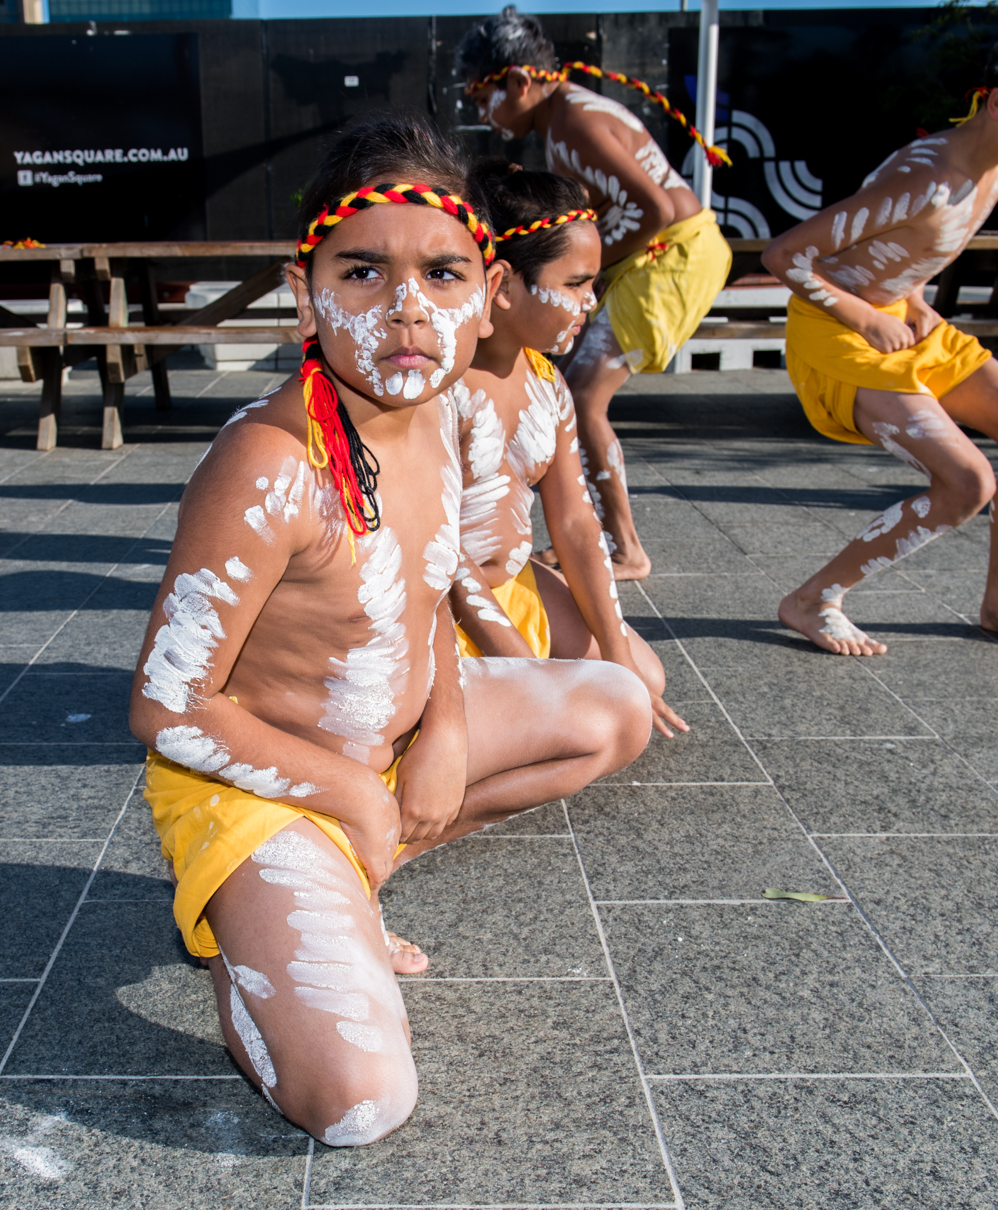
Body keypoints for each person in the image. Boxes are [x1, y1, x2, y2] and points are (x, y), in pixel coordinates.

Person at [128, 113, 652, 1148]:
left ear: (487, 291)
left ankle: (355, 883)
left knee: (615, 706)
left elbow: (425, 592)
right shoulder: (271, 464)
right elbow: (165, 705)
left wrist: (446, 727)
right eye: (362, 272)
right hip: (262, 784)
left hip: (382, 748)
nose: (406, 310)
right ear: (304, 288)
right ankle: (261, 944)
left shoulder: (445, 411)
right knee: (359, 1103)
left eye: (443, 274)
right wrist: (345, 800)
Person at [760, 7, 998, 657]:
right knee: (967, 482)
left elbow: (901, 254)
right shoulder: (926, 179)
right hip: (836, 329)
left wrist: (910, 300)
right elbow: (785, 256)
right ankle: (812, 599)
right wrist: (866, 314)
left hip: (901, 319)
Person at [454, 6, 733, 582]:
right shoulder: (566, 115)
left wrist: (586, 274)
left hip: (672, 255)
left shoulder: (573, 120)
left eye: (484, 98)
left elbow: (654, 209)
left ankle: (623, 545)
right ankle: (599, 534)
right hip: (662, 253)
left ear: (519, 80)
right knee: (574, 390)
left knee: (581, 394)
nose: (485, 114)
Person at [451, 160, 687, 739]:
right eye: (575, 284)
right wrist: (521, 667)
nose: (591, 301)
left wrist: (616, 649)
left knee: (641, 680)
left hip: (512, 581)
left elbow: (577, 524)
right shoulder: (441, 386)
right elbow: (437, 550)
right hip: (441, 599)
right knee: (578, 715)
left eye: (593, 283)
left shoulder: (547, 384)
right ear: (503, 286)